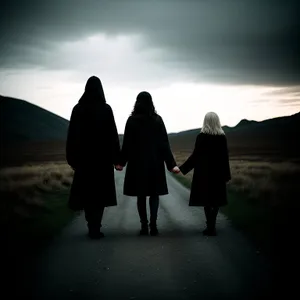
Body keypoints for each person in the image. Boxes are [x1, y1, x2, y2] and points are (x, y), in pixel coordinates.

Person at [66, 76, 121, 239]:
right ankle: (96, 226)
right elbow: (113, 136)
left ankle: (92, 225)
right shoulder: (106, 109)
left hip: (84, 160)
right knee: (100, 194)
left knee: (88, 193)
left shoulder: (78, 109)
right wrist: (116, 158)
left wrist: (72, 159)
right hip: (102, 160)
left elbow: (72, 136)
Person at [118, 91, 180, 236]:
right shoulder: (157, 120)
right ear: (151, 103)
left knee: (141, 196)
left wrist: (121, 162)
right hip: (154, 164)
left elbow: (126, 144)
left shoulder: (131, 120)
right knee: (154, 194)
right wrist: (171, 165)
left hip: (137, 164)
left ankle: (144, 226)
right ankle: (153, 226)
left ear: (137, 102)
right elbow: (164, 144)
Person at [179, 112, 231, 236]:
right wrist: (226, 175)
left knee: (207, 200)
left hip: (204, 174)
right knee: (216, 200)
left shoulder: (201, 137)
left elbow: (195, 156)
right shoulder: (222, 138)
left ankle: (210, 226)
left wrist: (182, 169)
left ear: (205, 122)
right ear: (217, 121)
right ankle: (211, 225)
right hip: (218, 173)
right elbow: (225, 158)